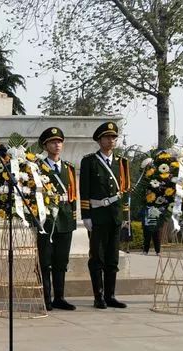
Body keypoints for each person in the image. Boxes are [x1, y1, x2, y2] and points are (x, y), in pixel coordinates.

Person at [80, 122, 130, 309]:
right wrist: (86, 215)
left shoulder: (122, 162)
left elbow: (125, 190)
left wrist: (125, 214)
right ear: (99, 140)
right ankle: (98, 296)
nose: (111, 140)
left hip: (115, 216)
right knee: (97, 257)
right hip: (98, 215)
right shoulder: (89, 161)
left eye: (113, 137)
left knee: (112, 258)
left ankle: (111, 295)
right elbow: (83, 189)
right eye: (107, 137)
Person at [36, 127, 77, 311]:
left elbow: (73, 195)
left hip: (65, 218)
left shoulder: (68, 168)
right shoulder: (37, 167)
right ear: (45, 145)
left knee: (62, 260)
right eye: (53, 142)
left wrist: (74, 218)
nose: (57, 145)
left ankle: (59, 297)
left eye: (59, 141)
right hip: (47, 220)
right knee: (45, 261)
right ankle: (46, 298)